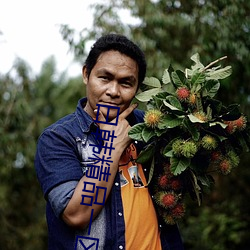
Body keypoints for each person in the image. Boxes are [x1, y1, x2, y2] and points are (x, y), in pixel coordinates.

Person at [35, 33, 184, 250]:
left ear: (137, 88)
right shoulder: (58, 138)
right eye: (105, 78)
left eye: (126, 83)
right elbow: (77, 214)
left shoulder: (153, 128)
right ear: (86, 74)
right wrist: (113, 147)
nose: (113, 92)